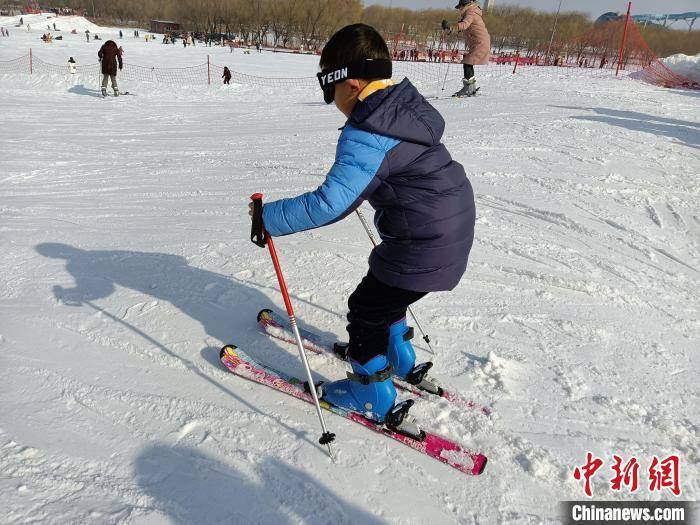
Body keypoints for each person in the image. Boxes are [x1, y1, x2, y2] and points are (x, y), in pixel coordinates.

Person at [250, 24, 475, 437]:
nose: (329, 99)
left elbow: (329, 203)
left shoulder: (370, 131)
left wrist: (268, 218)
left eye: (327, 87)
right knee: (387, 293)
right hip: (449, 231)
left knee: (366, 310)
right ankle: (400, 356)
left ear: (350, 84)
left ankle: (371, 394)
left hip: (422, 243)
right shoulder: (400, 111)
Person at [442, 0, 491, 97]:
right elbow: (464, 26)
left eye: (459, 7)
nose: (459, 9)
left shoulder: (470, 12)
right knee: (468, 63)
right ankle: (471, 89)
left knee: (467, 63)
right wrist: (451, 29)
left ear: (464, 5)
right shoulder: (471, 11)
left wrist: (451, 26)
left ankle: (468, 89)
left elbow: (464, 25)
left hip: (480, 43)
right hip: (479, 42)